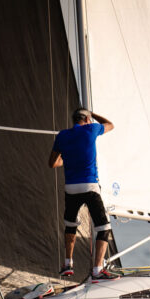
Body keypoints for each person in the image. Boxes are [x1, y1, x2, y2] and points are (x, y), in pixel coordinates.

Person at [48, 108, 116, 279]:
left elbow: (53, 163)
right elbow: (110, 125)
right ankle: (97, 270)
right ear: (86, 119)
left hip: (71, 188)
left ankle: (68, 264)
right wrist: (94, 115)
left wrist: (70, 158)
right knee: (104, 228)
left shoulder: (62, 135)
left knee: (71, 225)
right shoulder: (91, 129)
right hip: (89, 186)